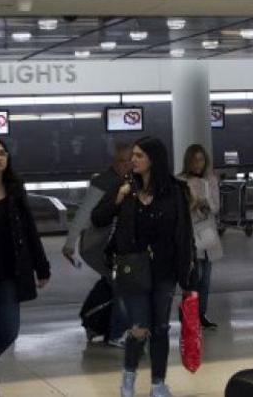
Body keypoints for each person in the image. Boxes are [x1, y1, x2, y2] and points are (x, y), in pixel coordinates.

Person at [92, 136, 194, 397]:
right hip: (133, 269)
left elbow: (184, 233)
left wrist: (187, 277)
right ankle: (129, 377)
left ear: (153, 159)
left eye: (139, 156)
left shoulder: (175, 190)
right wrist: (117, 198)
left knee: (160, 327)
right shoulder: (125, 186)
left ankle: (158, 383)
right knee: (139, 328)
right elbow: (98, 217)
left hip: (165, 269)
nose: (133, 160)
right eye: (132, 155)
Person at [0, 137, 51, 397]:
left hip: (11, 273)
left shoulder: (16, 190)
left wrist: (42, 267)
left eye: (2, 153)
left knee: (8, 332)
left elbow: (29, 230)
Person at [63, 141, 133, 345]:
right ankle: (115, 332)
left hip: (115, 246)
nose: (127, 165)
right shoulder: (104, 182)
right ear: (115, 161)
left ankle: (97, 323)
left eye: (131, 160)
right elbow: (83, 214)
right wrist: (70, 244)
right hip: (98, 246)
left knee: (115, 283)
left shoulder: (132, 181)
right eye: (123, 161)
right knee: (123, 284)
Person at [178, 143, 222, 330]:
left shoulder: (210, 180)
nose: (198, 163)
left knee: (206, 278)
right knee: (194, 276)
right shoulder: (179, 181)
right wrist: (193, 205)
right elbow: (179, 211)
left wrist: (206, 203)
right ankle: (188, 314)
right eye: (194, 159)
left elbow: (216, 207)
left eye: (201, 159)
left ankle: (201, 313)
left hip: (208, 233)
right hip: (190, 234)